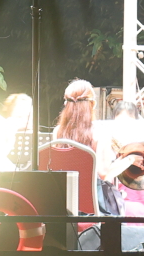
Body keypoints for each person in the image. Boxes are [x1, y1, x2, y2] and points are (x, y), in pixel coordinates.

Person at [51, 79, 120, 215]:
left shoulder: (57, 132)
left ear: (66, 104)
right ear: (92, 104)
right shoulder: (100, 133)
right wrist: (130, 160)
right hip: (92, 207)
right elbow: (104, 173)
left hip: (61, 204)